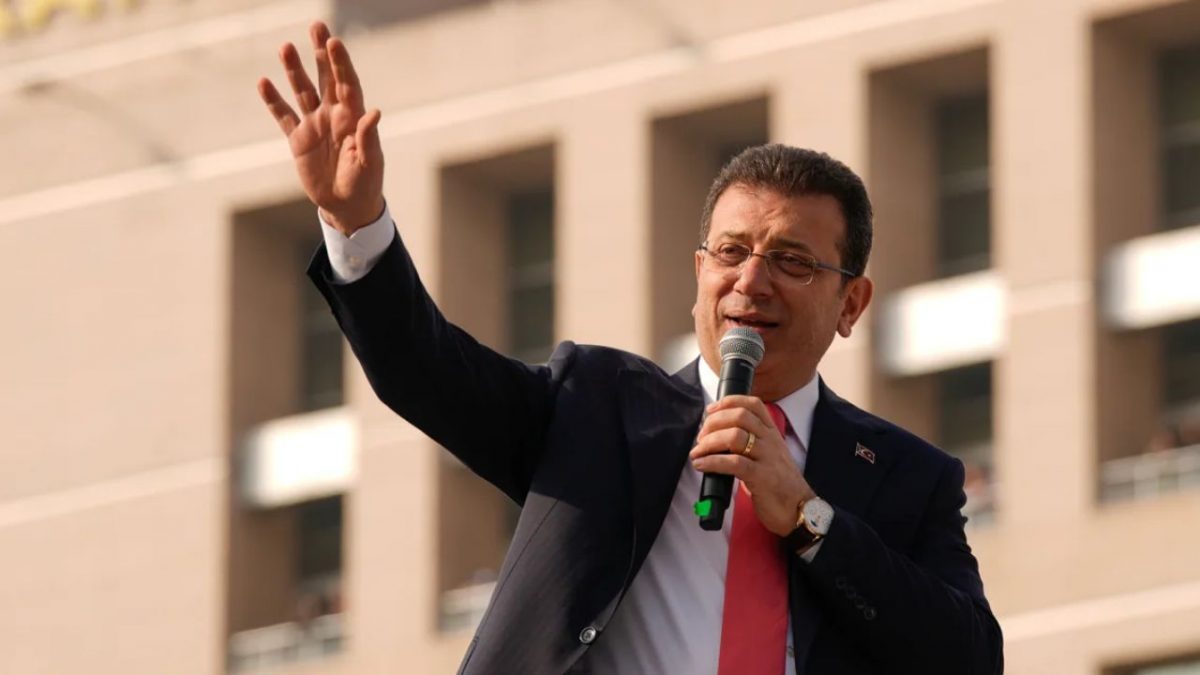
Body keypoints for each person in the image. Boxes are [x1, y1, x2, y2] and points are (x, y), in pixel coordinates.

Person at [258, 21, 1004, 675]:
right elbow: (424, 369)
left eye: (793, 260)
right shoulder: (596, 408)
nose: (752, 279)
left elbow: (970, 657)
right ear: (699, 273)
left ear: (852, 303)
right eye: (732, 251)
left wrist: (808, 516)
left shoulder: (910, 479)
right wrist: (355, 225)